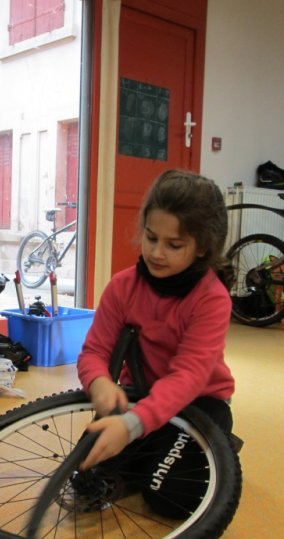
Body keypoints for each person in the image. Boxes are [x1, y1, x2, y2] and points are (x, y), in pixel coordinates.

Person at [77, 169, 235, 471]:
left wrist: (133, 425)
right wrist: (99, 383)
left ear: (202, 247)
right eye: (151, 238)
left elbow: (188, 376)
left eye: (174, 245)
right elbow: (94, 352)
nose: (156, 253)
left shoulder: (211, 299)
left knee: (169, 497)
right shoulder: (123, 287)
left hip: (200, 400)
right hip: (140, 393)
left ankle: (219, 448)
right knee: (90, 473)